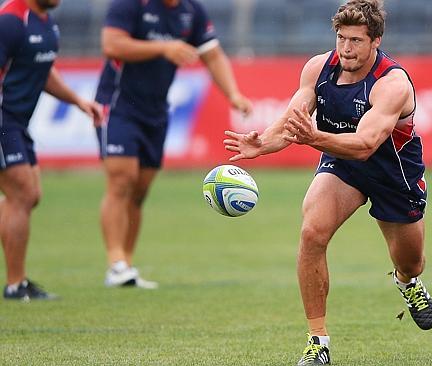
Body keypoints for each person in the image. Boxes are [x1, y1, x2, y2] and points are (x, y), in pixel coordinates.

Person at [224, 1, 432, 364]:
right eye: (341, 38)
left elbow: (366, 145)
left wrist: (313, 138)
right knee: (312, 233)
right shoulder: (318, 68)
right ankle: (317, 340)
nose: (347, 48)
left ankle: (406, 282)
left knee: (412, 262)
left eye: (356, 40)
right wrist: (262, 145)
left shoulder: (392, 84)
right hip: (343, 165)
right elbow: (296, 116)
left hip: (392, 173)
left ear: (375, 41)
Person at [94, 0, 252, 289]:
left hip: (156, 112)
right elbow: (112, 45)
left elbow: (213, 55)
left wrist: (233, 94)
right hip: (117, 107)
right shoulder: (130, 5)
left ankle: (126, 266)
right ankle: (115, 262)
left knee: (140, 190)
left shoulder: (190, 10)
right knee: (121, 180)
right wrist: (163, 48)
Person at [0, 0, 102, 300]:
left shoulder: (46, 23)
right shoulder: (10, 22)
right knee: (22, 194)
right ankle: (16, 284)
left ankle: (17, 282)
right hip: (3, 120)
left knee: (30, 197)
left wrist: (77, 101)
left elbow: (42, 71)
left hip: (18, 122)